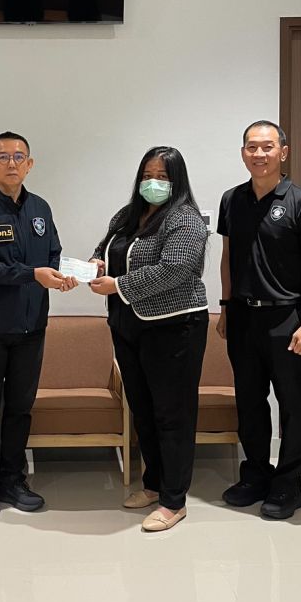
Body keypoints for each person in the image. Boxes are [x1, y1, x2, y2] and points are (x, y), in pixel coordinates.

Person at [90, 147, 208, 533]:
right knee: (143, 409)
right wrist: (96, 264)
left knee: (172, 414)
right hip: (127, 325)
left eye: (162, 177)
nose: (153, 183)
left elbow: (175, 269)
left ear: (177, 180)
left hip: (174, 327)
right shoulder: (127, 215)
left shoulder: (185, 219)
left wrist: (119, 285)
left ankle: (174, 501)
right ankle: (154, 484)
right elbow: (105, 248)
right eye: (147, 175)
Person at [0, 131, 75, 520]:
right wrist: (32, 274)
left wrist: (61, 275)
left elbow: (53, 253)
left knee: (21, 408)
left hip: (31, 327)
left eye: (19, 156)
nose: (12, 163)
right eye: (3, 157)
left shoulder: (40, 208)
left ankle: (13, 480)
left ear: (30, 164)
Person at [216, 121, 301, 520]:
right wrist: (226, 307)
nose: (259, 154)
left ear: (283, 152)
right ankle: (256, 475)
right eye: (251, 147)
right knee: (249, 400)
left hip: (286, 318)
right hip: (243, 317)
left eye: (267, 147)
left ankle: (288, 483)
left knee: (291, 402)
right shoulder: (232, 199)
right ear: (242, 152)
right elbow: (228, 257)